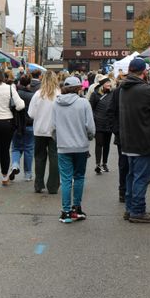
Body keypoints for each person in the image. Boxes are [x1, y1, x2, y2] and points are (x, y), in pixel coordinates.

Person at [117, 58, 150, 223]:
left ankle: (130, 209)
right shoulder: (145, 90)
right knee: (141, 177)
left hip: (129, 140)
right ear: (145, 72)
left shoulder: (123, 88)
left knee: (132, 176)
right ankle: (137, 211)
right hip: (143, 140)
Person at [52, 76, 95, 223]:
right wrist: (88, 137)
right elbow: (90, 127)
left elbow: (52, 127)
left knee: (65, 180)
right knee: (79, 177)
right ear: (79, 88)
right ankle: (77, 208)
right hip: (80, 146)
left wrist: (59, 140)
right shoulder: (84, 103)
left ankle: (65, 211)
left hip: (63, 146)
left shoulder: (56, 104)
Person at [27, 70, 60, 194]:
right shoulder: (59, 94)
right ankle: (53, 186)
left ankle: (38, 184)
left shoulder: (38, 94)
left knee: (40, 157)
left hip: (39, 130)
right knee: (55, 157)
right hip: (55, 130)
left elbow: (31, 114)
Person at [108, 73, 129, 203]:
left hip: (135, 134)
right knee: (124, 164)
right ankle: (123, 191)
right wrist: (116, 130)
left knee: (131, 165)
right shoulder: (118, 92)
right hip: (122, 134)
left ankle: (129, 191)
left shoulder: (141, 91)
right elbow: (111, 111)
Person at [10, 75, 35, 181]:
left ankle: (15, 164)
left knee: (16, 147)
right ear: (29, 83)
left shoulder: (16, 95)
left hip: (16, 125)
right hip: (29, 124)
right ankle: (28, 174)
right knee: (28, 149)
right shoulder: (33, 96)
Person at [89, 77, 113, 174]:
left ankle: (105, 163)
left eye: (110, 83)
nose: (109, 85)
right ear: (102, 84)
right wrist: (94, 118)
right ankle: (98, 164)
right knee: (99, 144)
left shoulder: (112, 94)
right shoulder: (95, 94)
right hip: (98, 123)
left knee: (107, 144)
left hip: (109, 123)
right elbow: (90, 108)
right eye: (107, 83)